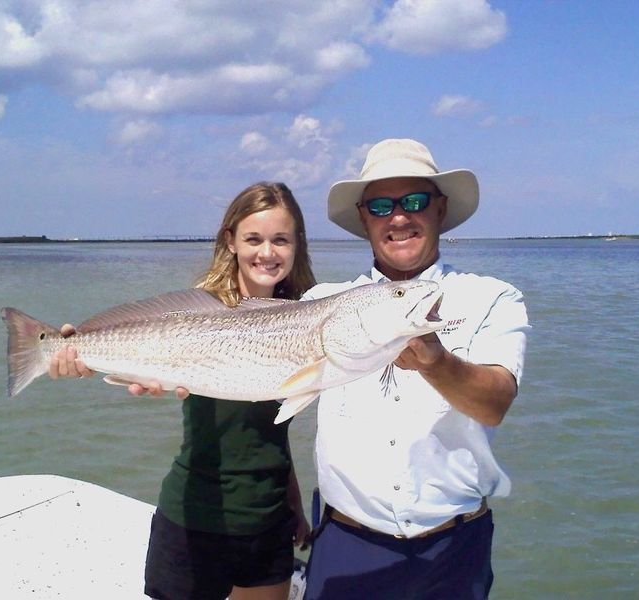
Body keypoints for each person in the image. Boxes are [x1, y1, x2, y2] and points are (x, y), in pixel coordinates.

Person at [48, 182, 316, 600]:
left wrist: (294, 505)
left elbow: (270, 433)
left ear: (297, 244)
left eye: (280, 239)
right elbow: (136, 358)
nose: (267, 252)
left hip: (268, 519)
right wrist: (80, 351)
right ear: (230, 241)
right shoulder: (199, 313)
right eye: (253, 239)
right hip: (195, 517)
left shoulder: (304, 319)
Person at [300, 138, 530, 599]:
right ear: (364, 218)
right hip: (346, 542)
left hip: (453, 549)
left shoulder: (493, 298)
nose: (399, 217)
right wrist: (170, 371)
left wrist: (437, 361)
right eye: (381, 205)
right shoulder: (319, 304)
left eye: (415, 201)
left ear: (440, 209)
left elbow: (495, 404)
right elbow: (256, 374)